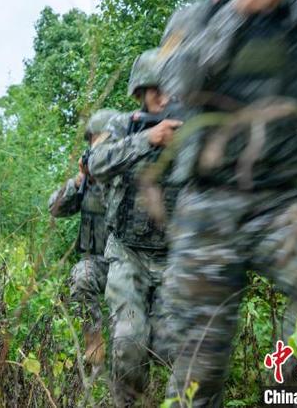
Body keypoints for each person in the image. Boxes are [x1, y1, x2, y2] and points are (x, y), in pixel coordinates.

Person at [151, 0, 297, 405]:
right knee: (198, 370)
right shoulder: (195, 17)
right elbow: (177, 79)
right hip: (208, 208)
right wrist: (240, 9)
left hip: (284, 203)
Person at [87, 48, 183, 407]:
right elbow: (96, 162)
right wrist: (149, 139)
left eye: (171, 88)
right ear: (139, 93)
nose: (163, 96)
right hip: (128, 254)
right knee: (129, 341)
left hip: (175, 258)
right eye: (154, 89)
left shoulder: (196, 125)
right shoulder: (122, 126)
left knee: (172, 346)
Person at [48, 109, 118, 366]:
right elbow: (54, 208)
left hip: (134, 262)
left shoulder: (131, 174)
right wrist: (80, 180)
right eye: (93, 144)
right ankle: (94, 345)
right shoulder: (87, 181)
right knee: (81, 275)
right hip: (101, 262)